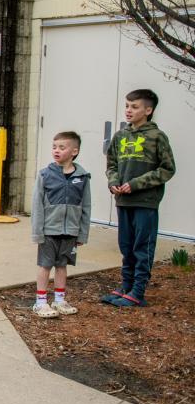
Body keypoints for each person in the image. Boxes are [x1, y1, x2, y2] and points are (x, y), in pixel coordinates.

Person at [102, 89, 176, 307]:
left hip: (145, 202)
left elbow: (167, 169)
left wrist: (135, 184)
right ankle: (126, 286)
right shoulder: (120, 136)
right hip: (123, 201)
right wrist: (113, 182)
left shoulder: (157, 137)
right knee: (126, 246)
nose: (128, 110)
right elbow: (112, 165)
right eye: (127, 106)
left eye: (134, 107)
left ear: (148, 110)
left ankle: (138, 291)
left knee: (142, 246)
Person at [30, 131, 91, 318]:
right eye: (54, 147)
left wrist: (82, 234)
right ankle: (40, 302)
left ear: (74, 151)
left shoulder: (83, 177)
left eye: (62, 147)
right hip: (49, 230)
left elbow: (86, 206)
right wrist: (37, 232)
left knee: (62, 266)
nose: (56, 150)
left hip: (70, 231)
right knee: (45, 265)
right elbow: (37, 205)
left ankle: (59, 299)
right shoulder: (45, 175)